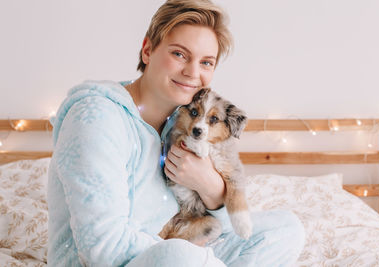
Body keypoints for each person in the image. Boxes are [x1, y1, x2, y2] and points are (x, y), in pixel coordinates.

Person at [47, 0, 305, 266]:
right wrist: (190, 255)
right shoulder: (96, 118)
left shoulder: (183, 123)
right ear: (147, 50)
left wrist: (209, 185)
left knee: (284, 229)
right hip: (115, 261)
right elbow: (103, 248)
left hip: (175, 248)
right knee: (179, 256)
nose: (193, 73)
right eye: (179, 54)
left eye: (206, 62)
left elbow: (222, 226)